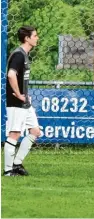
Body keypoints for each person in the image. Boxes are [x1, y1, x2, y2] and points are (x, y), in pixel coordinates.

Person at [3, 26, 41, 176]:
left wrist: (25, 95)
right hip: (16, 102)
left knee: (35, 131)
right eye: (35, 36)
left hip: (25, 102)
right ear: (27, 38)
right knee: (14, 134)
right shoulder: (18, 55)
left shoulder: (24, 55)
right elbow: (11, 75)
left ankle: (17, 164)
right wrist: (18, 94)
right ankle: (7, 171)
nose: (37, 38)